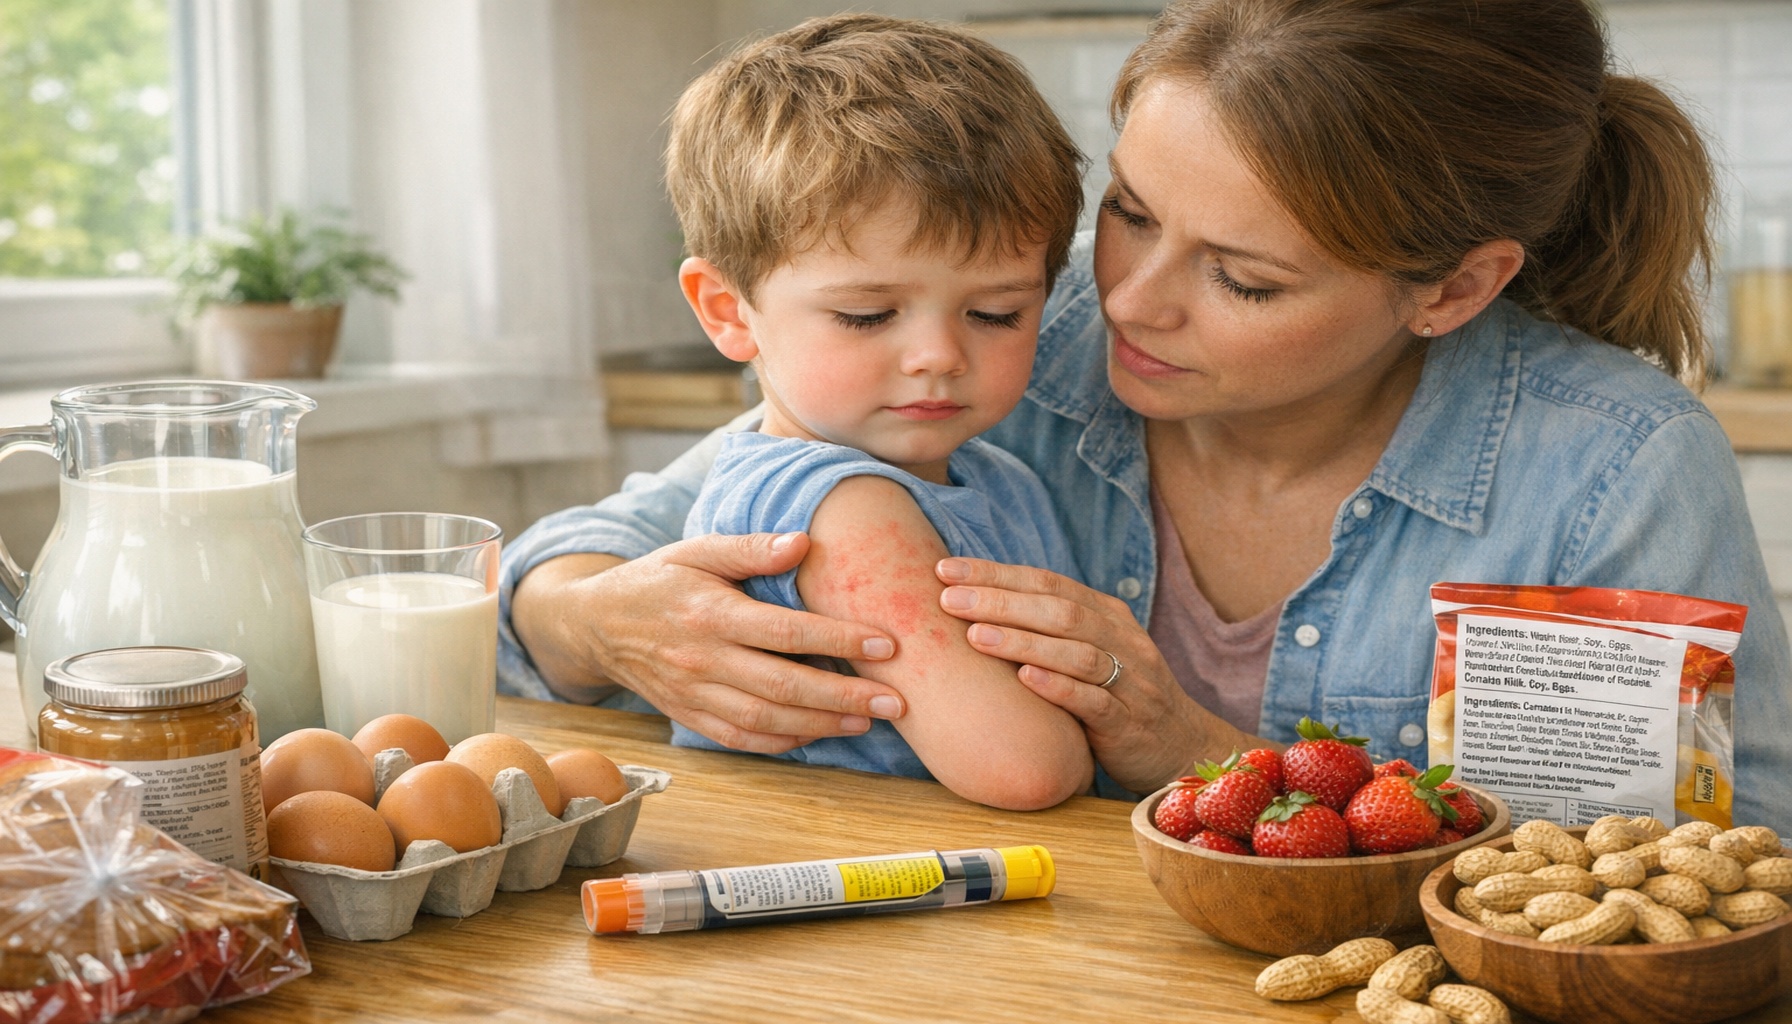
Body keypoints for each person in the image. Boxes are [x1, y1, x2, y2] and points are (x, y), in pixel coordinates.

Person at [502, 0, 1792, 832]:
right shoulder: (1001, 340)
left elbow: (1698, 873)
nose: (1127, 300)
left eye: (1241, 277)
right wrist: (603, 623)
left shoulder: (1609, 469)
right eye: (1125, 211)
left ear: (1454, 287)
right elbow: (578, 570)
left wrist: (1202, 749)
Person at [590, 15, 1094, 810]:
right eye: (866, 315)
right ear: (728, 310)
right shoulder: (840, 509)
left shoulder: (996, 474)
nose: (939, 355)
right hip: (832, 899)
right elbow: (1025, 770)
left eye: (996, 313)